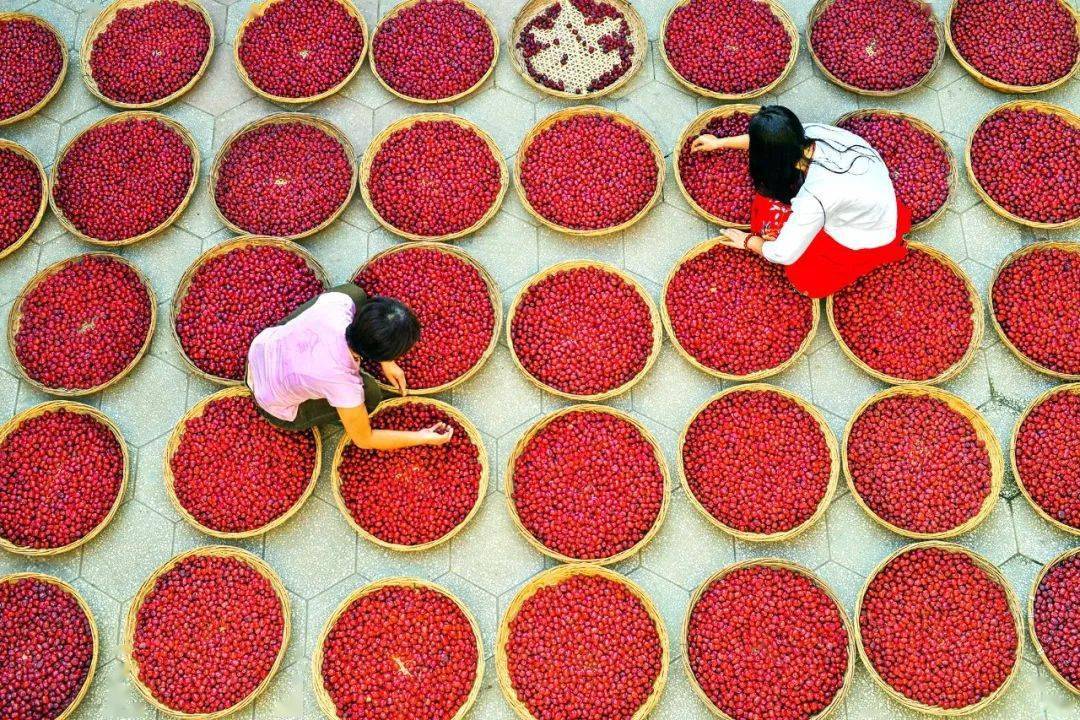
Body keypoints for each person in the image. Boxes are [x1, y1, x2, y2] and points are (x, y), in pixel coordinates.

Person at [691, 105, 910, 298]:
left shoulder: (815, 197)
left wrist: (748, 242)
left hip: (862, 230)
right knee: (774, 212)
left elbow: (783, 254)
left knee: (805, 281)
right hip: (870, 195)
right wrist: (720, 143)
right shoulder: (811, 133)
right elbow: (770, 143)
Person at [246, 282, 452, 450]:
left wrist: (386, 359)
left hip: (261, 350)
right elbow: (364, 440)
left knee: (354, 292)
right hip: (272, 402)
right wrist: (423, 437)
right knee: (370, 394)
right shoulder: (343, 383)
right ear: (373, 355)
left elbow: (358, 307)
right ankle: (342, 414)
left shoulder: (337, 304)